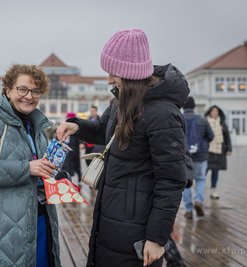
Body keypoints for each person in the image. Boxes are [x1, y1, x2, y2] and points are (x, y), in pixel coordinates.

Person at [57, 28, 189, 267]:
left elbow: (171, 181)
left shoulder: (163, 115)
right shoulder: (120, 102)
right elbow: (102, 128)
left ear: (130, 74)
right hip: (110, 215)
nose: (108, 79)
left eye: (113, 73)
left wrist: (157, 238)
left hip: (136, 227)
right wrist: (77, 126)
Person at [0, 64, 61, 267]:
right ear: (8, 90)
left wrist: (56, 175)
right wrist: (27, 168)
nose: (29, 96)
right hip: (3, 228)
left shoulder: (37, 125)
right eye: (22, 89)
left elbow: (39, 167)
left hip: (41, 220)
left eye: (35, 91)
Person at [182, 97, 214, 218]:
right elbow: (211, 136)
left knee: (186, 182)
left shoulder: (179, 119)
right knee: (200, 179)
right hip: (200, 156)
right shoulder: (202, 120)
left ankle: (189, 210)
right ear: (194, 107)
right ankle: (198, 201)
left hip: (185, 156)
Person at [205, 106, 232, 199]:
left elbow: (227, 137)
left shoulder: (222, 123)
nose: (214, 112)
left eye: (216, 111)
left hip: (219, 150)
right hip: (208, 150)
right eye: (213, 111)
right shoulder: (205, 122)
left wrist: (229, 149)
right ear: (209, 112)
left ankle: (213, 190)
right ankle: (200, 190)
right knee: (204, 171)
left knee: (215, 171)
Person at [61, 112, 82, 184]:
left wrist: (81, 143)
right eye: (67, 118)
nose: (67, 119)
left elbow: (80, 137)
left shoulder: (75, 127)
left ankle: (79, 178)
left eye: (69, 118)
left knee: (77, 165)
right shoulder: (63, 125)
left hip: (74, 149)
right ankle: (67, 180)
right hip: (65, 149)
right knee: (66, 165)